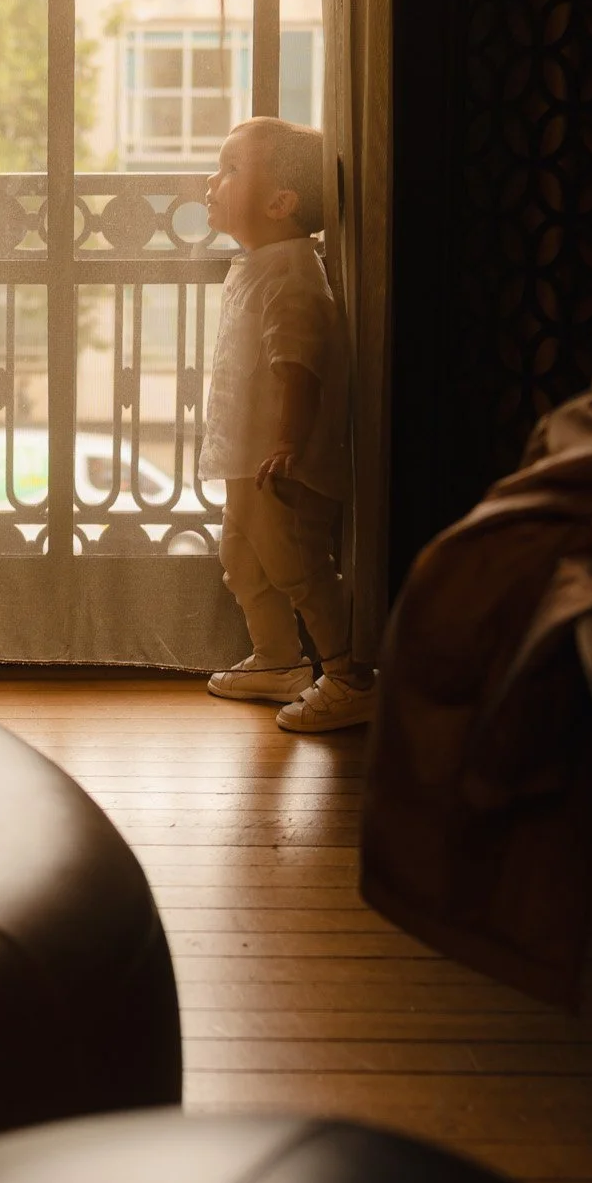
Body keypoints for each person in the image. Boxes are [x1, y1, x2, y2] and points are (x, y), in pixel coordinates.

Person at [199, 117, 373, 732]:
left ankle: (349, 675)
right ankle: (276, 658)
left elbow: (297, 364)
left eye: (230, 169)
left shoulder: (293, 273)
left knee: (300, 568)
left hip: (280, 464)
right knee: (242, 559)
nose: (212, 181)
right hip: (253, 460)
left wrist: (288, 442)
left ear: (280, 202)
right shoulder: (262, 264)